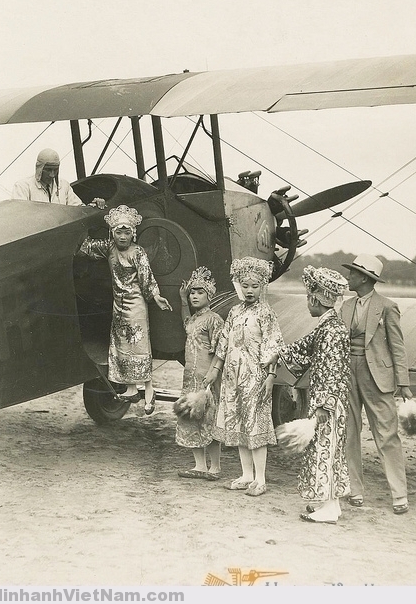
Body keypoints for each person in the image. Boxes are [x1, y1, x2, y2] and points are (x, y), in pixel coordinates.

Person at [79, 204, 172, 414]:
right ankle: (131, 389)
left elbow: (146, 278)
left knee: (139, 348)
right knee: (122, 348)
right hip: (118, 306)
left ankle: (149, 391)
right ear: (113, 233)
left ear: (133, 233)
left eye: (126, 232)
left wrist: (156, 297)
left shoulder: (138, 252)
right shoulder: (109, 248)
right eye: (119, 232)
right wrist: (89, 212)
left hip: (136, 306)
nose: (122, 237)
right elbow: (86, 247)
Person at [204, 257, 284, 497]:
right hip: (232, 377)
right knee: (238, 423)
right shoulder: (234, 312)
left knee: (255, 425)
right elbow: (223, 343)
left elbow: (273, 345)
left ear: (262, 286)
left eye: (255, 286)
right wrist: (214, 370)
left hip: (255, 377)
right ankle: (246, 475)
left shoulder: (266, 313)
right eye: (245, 285)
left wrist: (270, 376)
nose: (250, 290)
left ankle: (260, 479)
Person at [339, 254, 412, 515]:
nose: (348, 278)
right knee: (349, 431)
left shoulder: (388, 306)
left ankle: (399, 495)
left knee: (386, 434)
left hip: (378, 377)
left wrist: (402, 382)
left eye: (352, 274)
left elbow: (398, 347)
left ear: (364, 278)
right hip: (347, 373)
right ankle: (355, 490)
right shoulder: (344, 306)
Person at [278, 265, 351, 524]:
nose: (307, 302)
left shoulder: (330, 330)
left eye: (309, 297)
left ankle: (330, 509)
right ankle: (331, 504)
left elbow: (332, 371)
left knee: (325, 450)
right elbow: (304, 346)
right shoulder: (329, 325)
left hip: (327, 404)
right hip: (329, 402)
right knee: (328, 450)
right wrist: (279, 352)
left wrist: (323, 406)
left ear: (316, 299)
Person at [175, 267, 224, 480]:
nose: (194, 295)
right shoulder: (194, 320)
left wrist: (214, 373)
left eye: (199, 292)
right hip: (190, 377)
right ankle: (199, 466)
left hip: (207, 378)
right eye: (192, 292)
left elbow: (221, 349)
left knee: (209, 420)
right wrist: (182, 300)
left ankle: (215, 467)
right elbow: (186, 323)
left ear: (209, 295)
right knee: (191, 417)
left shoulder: (214, 319)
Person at [12, 148, 105, 208]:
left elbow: (78, 210)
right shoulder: (22, 186)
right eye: (48, 170)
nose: (52, 175)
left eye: (55, 170)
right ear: (39, 168)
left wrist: (93, 205)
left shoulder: (64, 185)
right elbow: (20, 216)